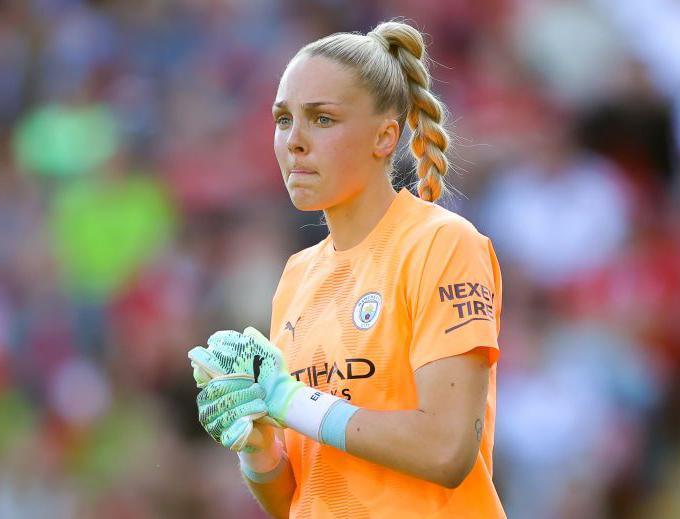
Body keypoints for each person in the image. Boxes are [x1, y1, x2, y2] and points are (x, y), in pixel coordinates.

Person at [188, 20, 505, 518]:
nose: (293, 141)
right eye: (282, 119)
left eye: (322, 119)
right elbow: (299, 496)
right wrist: (257, 443)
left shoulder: (442, 244)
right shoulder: (297, 276)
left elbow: (446, 450)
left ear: (384, 137)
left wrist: (289, 402)